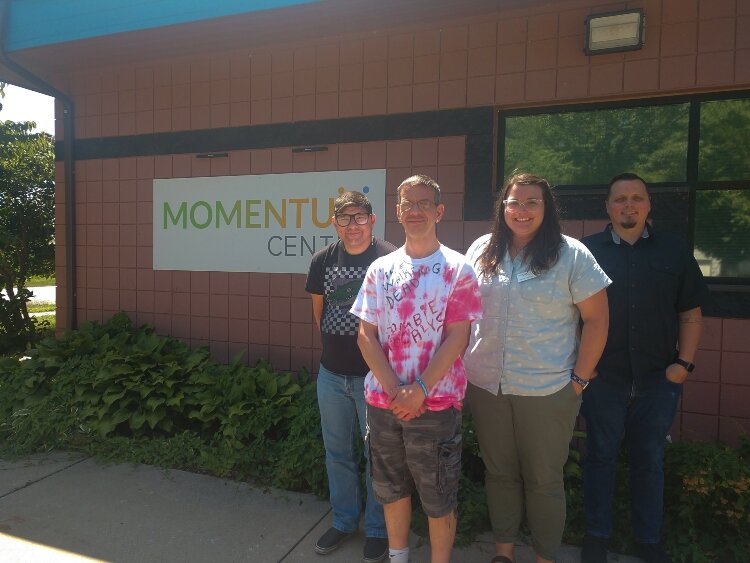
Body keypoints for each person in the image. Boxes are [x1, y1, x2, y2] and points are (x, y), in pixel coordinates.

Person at [463, 172, 611, 563]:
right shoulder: (481, 249)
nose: (522, 210)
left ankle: (545, 556)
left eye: (532, 202)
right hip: (486, 385)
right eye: (514, 202)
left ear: (546, 208)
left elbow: (597, 320)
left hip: (548, 391)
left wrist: (578, 380)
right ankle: (504, 552)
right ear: (503, 207)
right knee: (499, 474)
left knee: (545, 480)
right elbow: (461, 311)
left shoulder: (572, 254)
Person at [350, 174, 483, 563]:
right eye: (408, 203)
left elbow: (457, 338)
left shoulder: (458, 270)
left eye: (424, 203)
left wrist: (419, 389)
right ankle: (398, 556)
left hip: (436, 405)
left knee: (439, 497)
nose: (415, 210)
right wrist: (396, 391)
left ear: (439, 211)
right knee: (390, 490)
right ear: (397, 211)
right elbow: (365, 334)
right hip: (384, 402)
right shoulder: (380, 269)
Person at [579, 173, 707, 563]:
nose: (628, 205)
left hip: (658, 379)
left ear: (649, 205)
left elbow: (690, 313)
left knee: (649, 461)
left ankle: (648, 541)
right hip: (605, 380)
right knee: (599, 457)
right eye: (620, 199)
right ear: (608, 206)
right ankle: (596, 538)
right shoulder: (585, 252)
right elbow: (569, 316)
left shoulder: (673, 250)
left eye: (637, 198)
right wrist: (585, 368)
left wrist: (683, 365)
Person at [305, 190, 396, 563]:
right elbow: (319, 315)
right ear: (334, 223)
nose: (352, 225)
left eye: (359, 217)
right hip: (331, 376)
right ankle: (344, 521)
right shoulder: (322, 260)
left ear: (372, 220)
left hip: (374, 379)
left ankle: (377, 529)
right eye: (345, 219)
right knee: (337, 454)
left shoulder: (390, 258)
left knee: (378, 456)